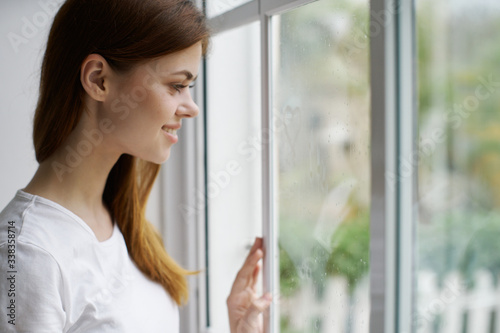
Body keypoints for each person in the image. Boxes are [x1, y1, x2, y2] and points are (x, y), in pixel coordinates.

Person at [0, 0, 272, 332]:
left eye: (190, 87)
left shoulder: (123, 222)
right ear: (98, 80)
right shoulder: (27, 252)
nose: (191, 107)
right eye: (176, 85)